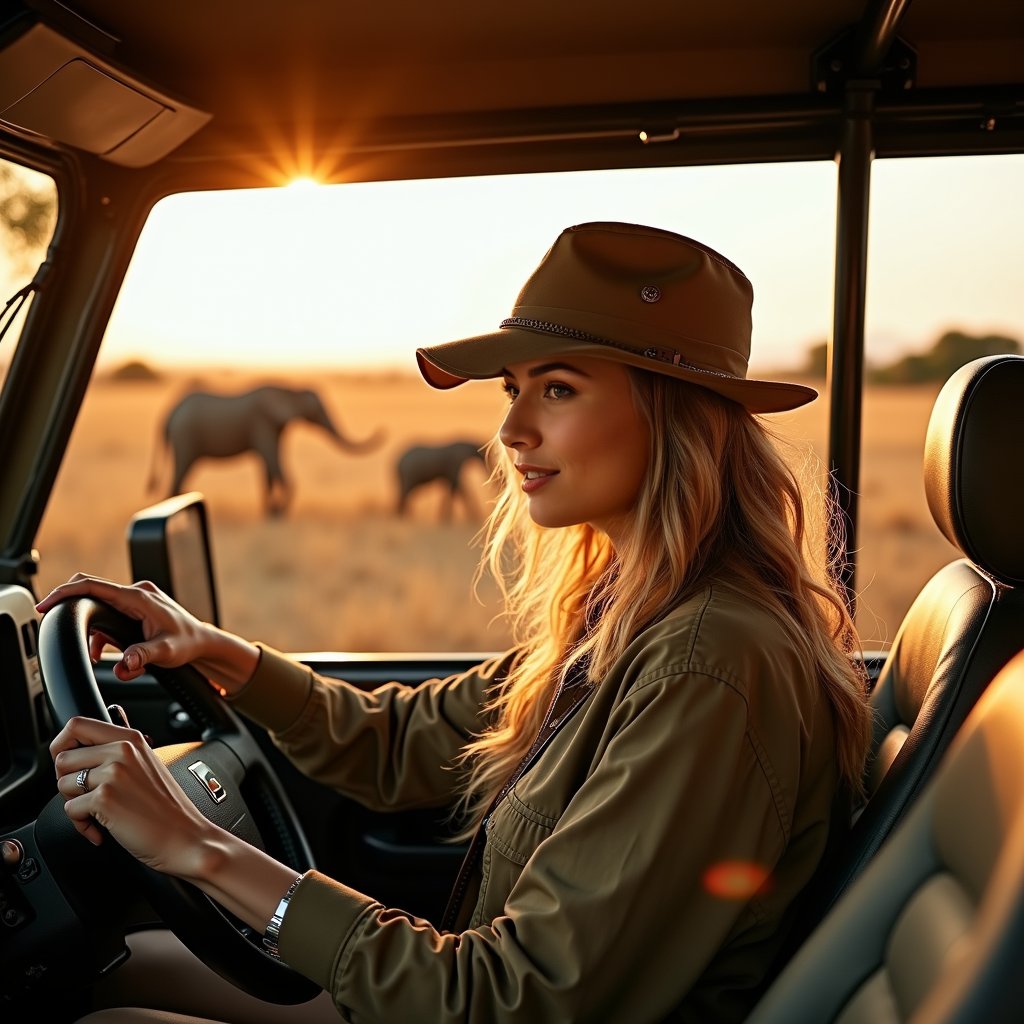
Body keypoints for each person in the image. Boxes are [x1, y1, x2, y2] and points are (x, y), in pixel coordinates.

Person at [42, 221, 872, 1024]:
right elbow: (401, 743)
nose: (511, 431)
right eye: (513, 390)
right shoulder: (629, 611)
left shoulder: (707, 663)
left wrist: (198, 846)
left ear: (674, 413)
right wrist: (220, 653)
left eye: (558, 388)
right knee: (116, 969)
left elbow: (510, 1000)